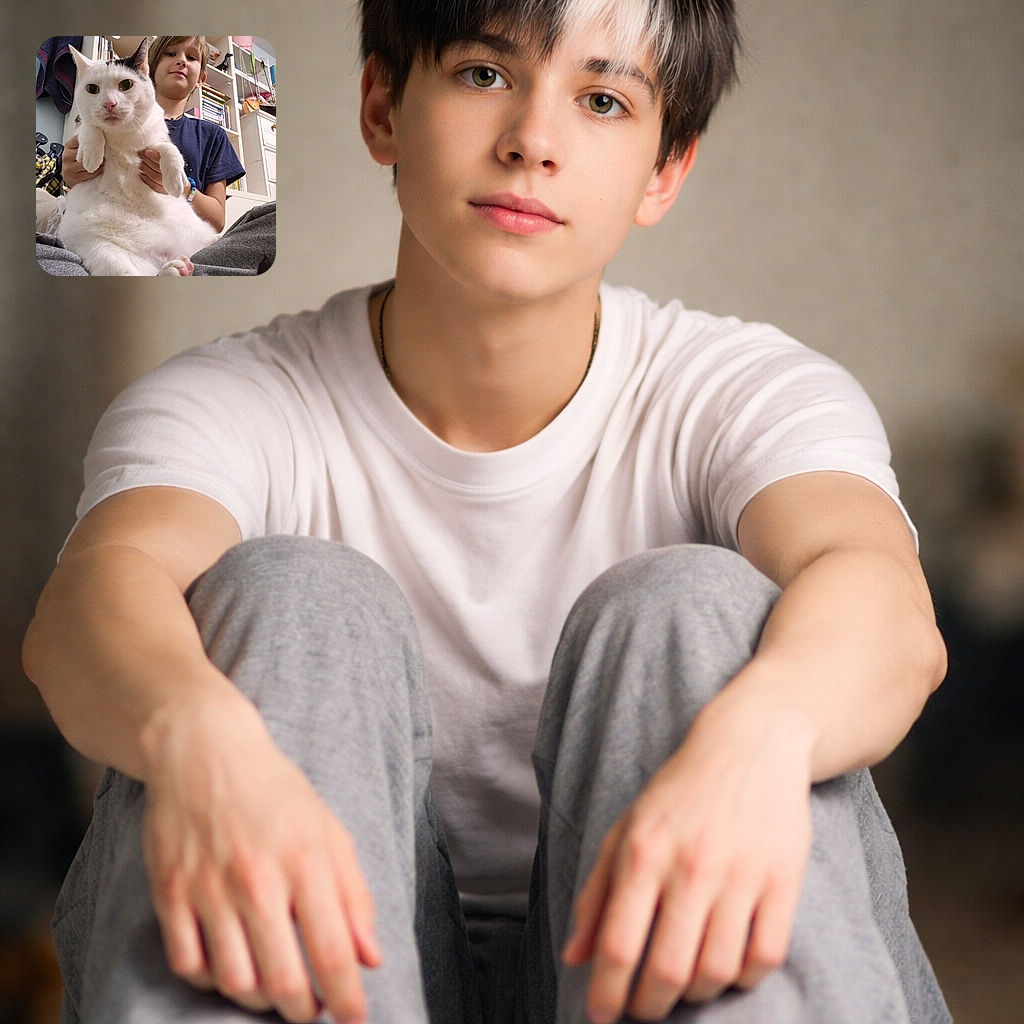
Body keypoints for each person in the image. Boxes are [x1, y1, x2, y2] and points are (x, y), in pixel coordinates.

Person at [23, 2, 951, 1023]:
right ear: (383, 107)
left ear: (665, 169)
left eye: (602, 100)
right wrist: (201, 740)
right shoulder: (230, 401)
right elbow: (94, 597)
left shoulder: (748, 391)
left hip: (646, 959)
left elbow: (882, 601)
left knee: (695, 605)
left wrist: (758, 740)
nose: (532, 142)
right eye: (483, 74)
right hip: (346, 964)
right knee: (290, 597)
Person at [61, 35, 245, 233]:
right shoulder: (99, 121)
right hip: (108, 222)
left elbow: (218, 221)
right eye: (171, 53)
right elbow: (73, 185)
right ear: (149, 68)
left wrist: (183, 188)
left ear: (201, 79)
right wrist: (71, 176)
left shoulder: (213, 135)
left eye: (192, 57)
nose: (181, 61)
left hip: (169, 228)